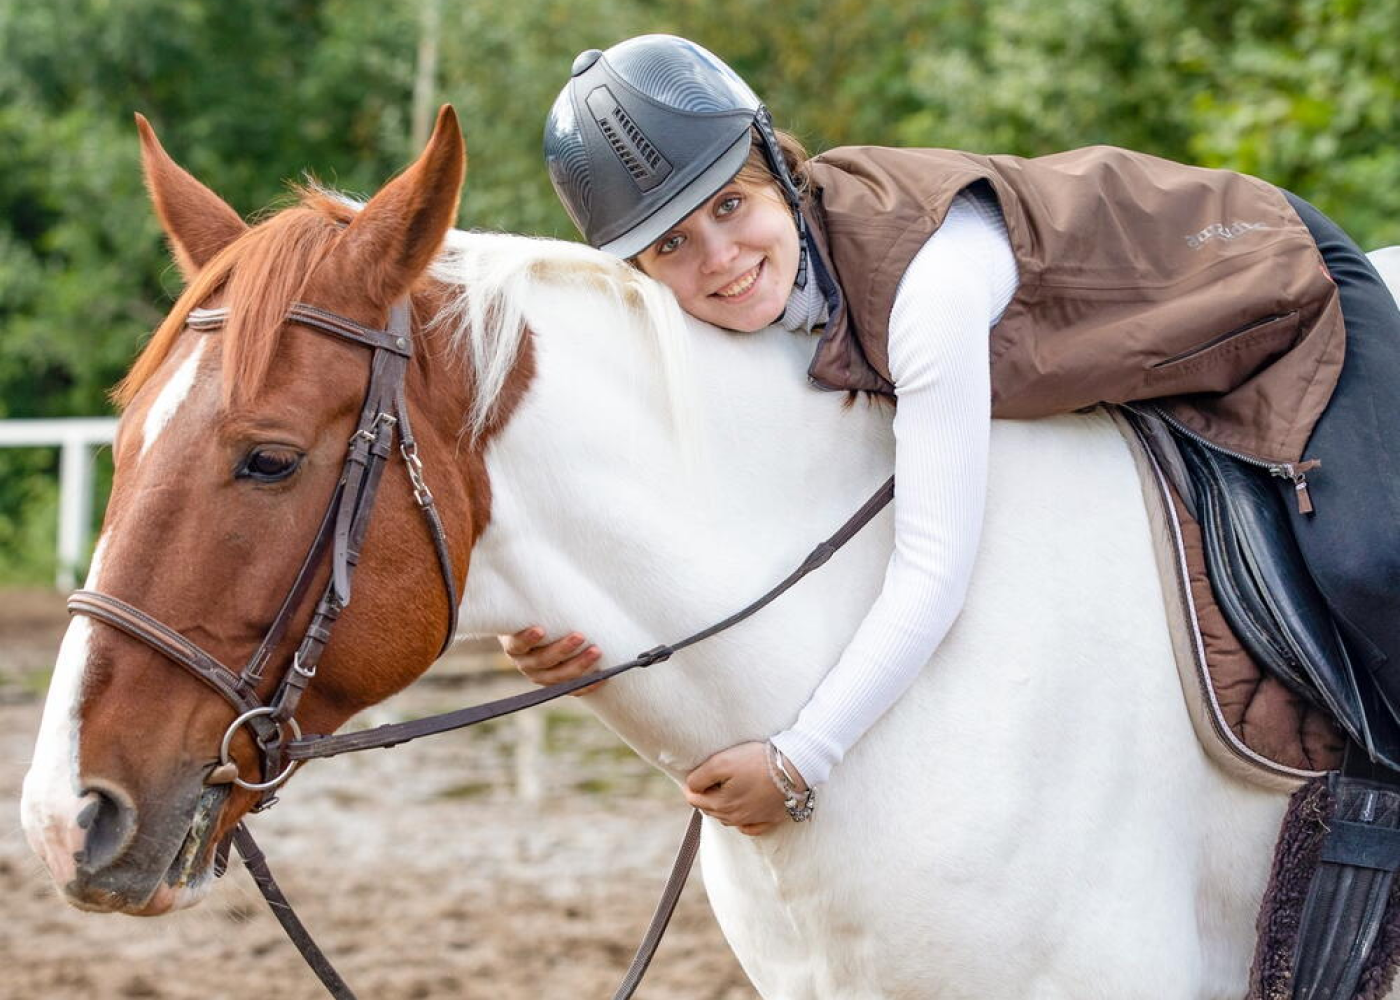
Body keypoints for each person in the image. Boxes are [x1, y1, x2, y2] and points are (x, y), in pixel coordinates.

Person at [499, 34, 1400, 840]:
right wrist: (573, 628)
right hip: (1149, 349)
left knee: (1369, 561)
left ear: (775, 164)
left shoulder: (927, 292)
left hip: (1277, 282)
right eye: (672, 246)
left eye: (731, 208)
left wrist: (801, 760)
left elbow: (934, 568)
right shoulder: (753, 303)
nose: (719, 261)